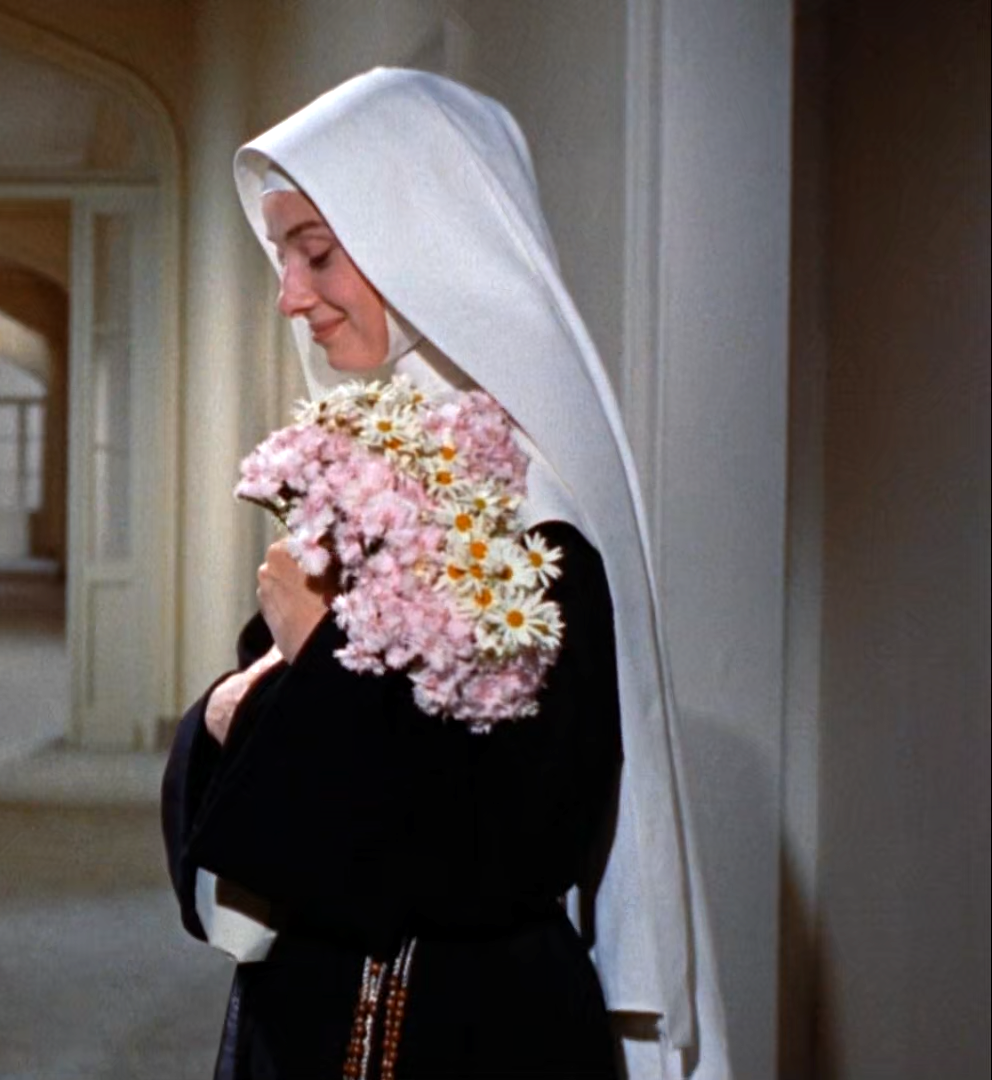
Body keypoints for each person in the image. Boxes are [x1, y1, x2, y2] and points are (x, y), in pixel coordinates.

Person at [162, 69, 729, 1079]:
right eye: (281, 258)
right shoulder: (364, 473)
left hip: (463, 1030)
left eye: (317, 254)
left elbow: (496, 849)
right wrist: (228, 711)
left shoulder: (539, 531)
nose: (290, 298)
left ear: (419, 244)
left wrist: (297, 668)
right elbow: (273, 759)